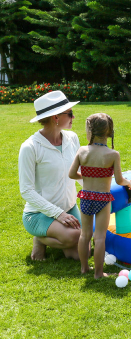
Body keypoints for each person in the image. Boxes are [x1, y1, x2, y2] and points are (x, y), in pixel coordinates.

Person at [19, 91, 82, 261]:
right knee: (76, 236)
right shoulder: (30, 147)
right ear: (56, 117)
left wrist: (96, 192)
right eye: (70, 113)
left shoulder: (72, 138)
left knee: (80, 252)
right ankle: (39, 239)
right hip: (38, 214)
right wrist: (58, 214)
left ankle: (61, 237)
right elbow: (26, 191)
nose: (73, 117)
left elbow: (79, 173)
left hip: (69, 207)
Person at [69, 113, 131, 279]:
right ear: (109, 132)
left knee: (85, 235)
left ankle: (84, 268)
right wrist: (128, 182)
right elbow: (119, 180)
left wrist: (87, 176)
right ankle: (98, 273)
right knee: (100, 237)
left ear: (90, 131)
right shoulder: (113, 154)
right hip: (103, 199)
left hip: (86, 196)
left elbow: (72, 174)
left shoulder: (82, 151)